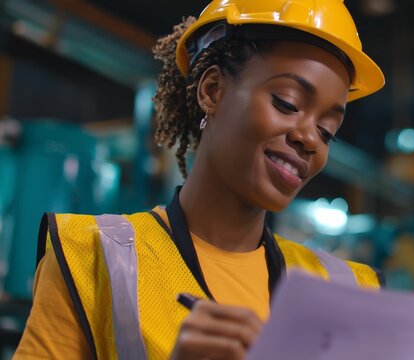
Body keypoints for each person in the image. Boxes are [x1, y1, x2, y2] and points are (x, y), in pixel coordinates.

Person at [14, 0, 385, 358]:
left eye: (327, 131)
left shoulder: (350, 292)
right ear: (212, 91)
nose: (309, 138)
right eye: (286, 103)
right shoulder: (93, 257)